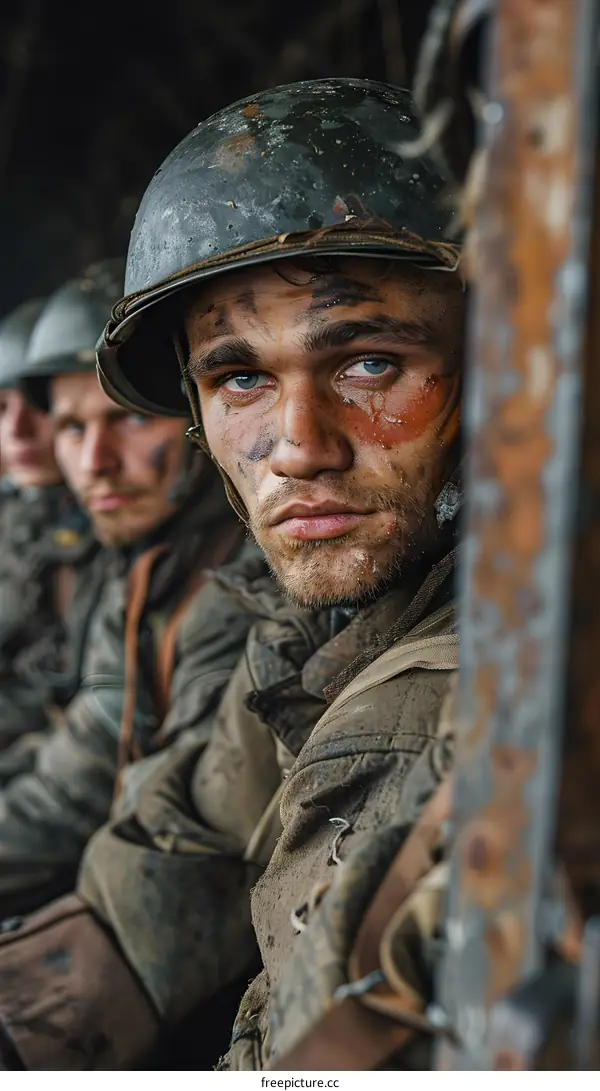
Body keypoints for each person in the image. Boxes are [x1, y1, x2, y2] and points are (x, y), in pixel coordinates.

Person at [0, 78, 463, 1070]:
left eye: (370, 362)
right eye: (241, 377)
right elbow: (177, 852)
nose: (297, 447)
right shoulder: (313, 622)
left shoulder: (506, 678)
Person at [0, 259, 258, 922]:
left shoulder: (240, 573)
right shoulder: (144, 553)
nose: (94, 465)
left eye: (130, 420)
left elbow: (87, 781)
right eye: (73, 429)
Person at [0, 298, 98, 756]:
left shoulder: (111, 534)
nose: (17, 430)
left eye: (37, 408)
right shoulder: (19, 517)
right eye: (1, 407)